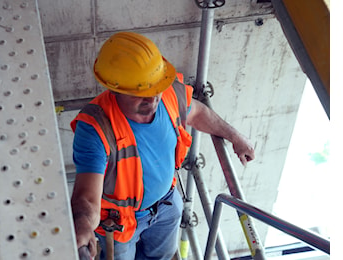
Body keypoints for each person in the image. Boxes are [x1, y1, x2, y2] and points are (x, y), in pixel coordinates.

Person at [70, 31, 255, 260]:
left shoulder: (169, 93)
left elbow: (197, 113)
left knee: (163, 257)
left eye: (154, 89)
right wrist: (83, 224)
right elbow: (87, 197)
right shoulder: (95, 127)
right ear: (115, 89)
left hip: (167, 205)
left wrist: (234, 136)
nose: (152, 99)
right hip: (121, 223)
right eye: (140, 93)